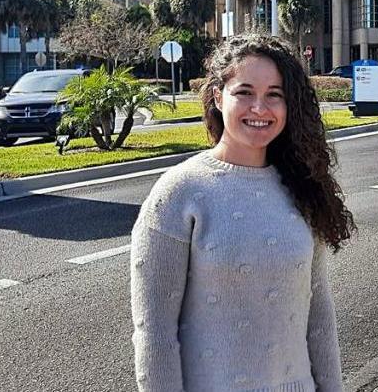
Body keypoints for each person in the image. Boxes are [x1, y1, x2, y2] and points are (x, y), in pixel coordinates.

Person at [130, 34, 355, 391]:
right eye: (245, 92)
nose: (260, 109)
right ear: (218, 96)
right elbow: (155, 334)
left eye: (274, 95)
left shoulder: (301, 187)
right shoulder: (178, 193)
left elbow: (318, 317)